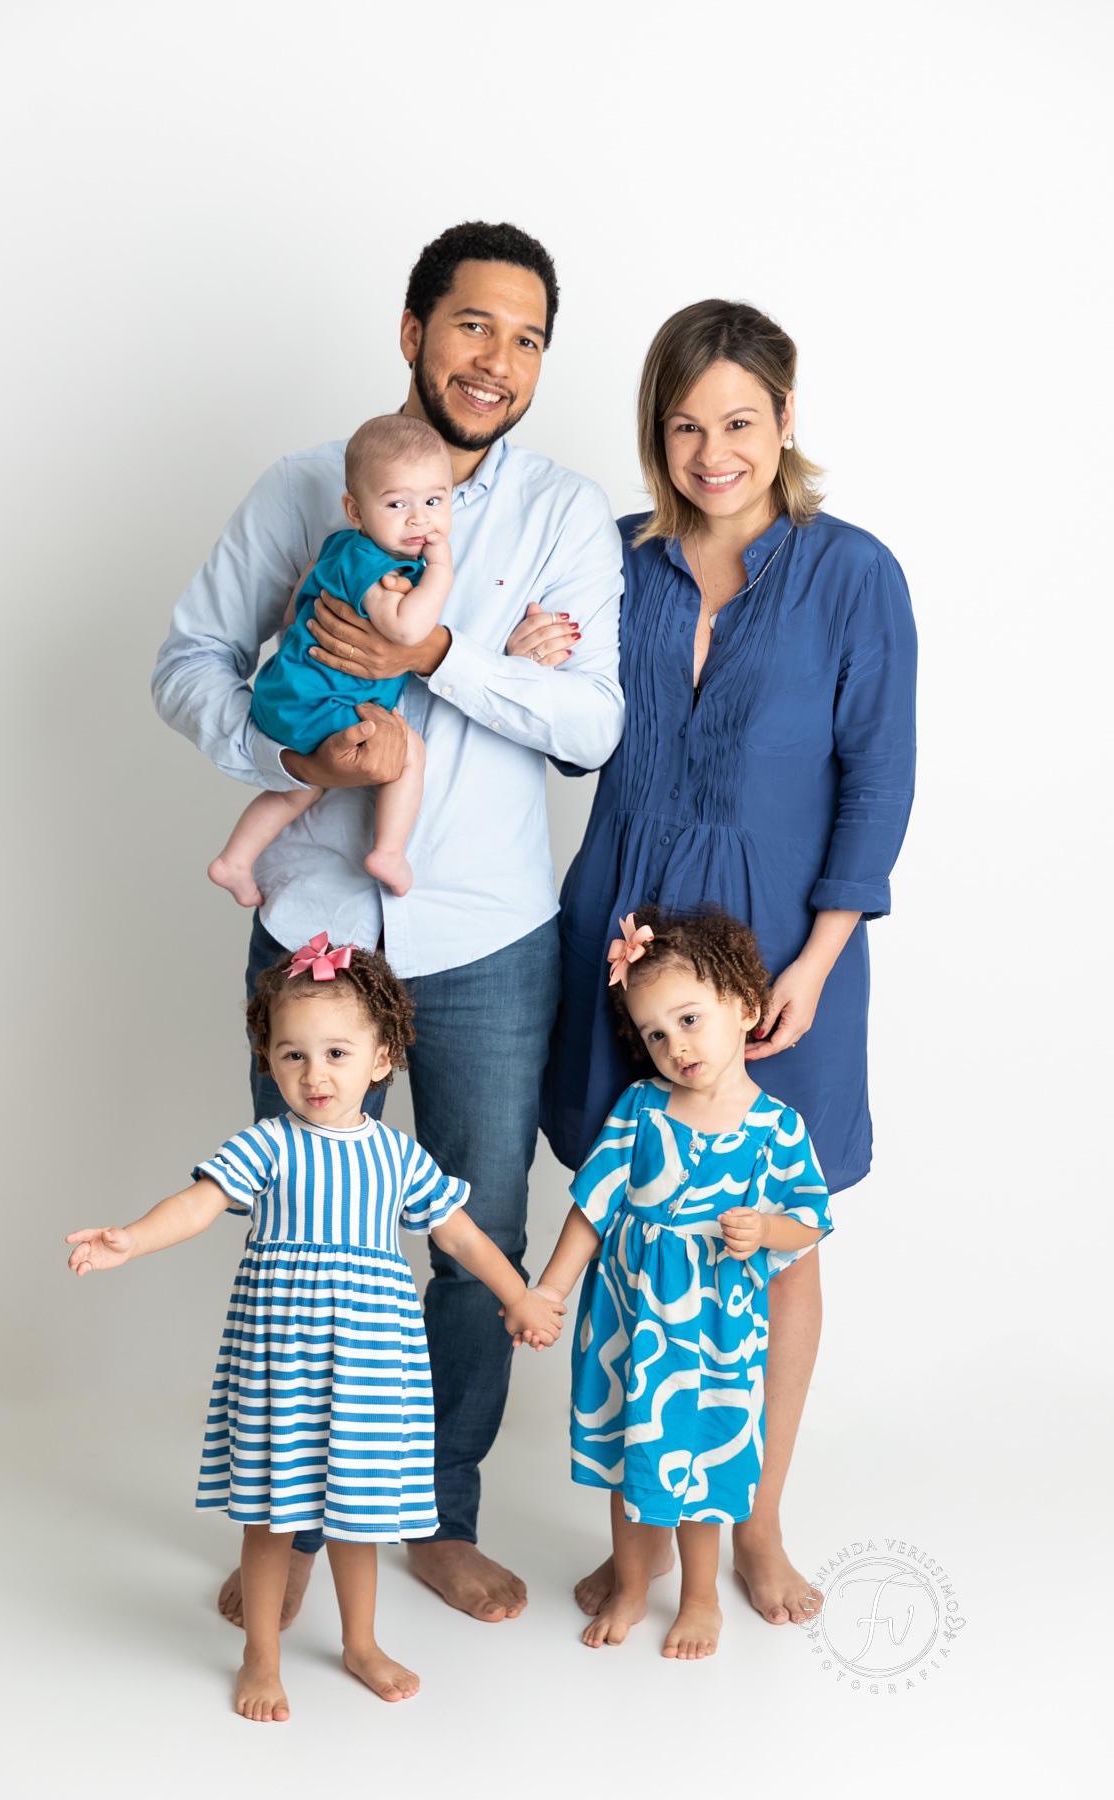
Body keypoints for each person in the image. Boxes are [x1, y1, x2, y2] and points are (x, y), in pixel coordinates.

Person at [152, 220, 624, 1626]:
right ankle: (288, 1531)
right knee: (302, 1235)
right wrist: (286, 755)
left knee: (480, 1227)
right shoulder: (302, 486)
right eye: (473, 325)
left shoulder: (565, 516)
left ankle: (438, 1513)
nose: (497, 361)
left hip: (487, 935)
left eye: (527, 339)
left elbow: (591, 725)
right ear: (414, 332)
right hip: (314, 928)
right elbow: (189, 660)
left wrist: (444, 654)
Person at [536, 299, 916, 1629]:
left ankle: (756, 1523)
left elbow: (878, 778)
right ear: (657, 431)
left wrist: (820, 957)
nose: (714, 454)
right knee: (637, 1214)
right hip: (624, 933)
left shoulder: (853, 572)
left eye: (741, 422)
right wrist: (534, 661)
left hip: (786, 947)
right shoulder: (614, 559)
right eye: (686, 426)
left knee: (777, 1238)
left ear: (787, 418)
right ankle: (643, 1538)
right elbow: (573, 741)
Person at [65, 937, 564, 1721]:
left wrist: (518, 1297)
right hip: (283, 1363)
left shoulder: (398, 1156)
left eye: (336, 1052)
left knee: (359, 1516)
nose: (313, 1073)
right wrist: (131, 1237)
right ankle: (260, 1656)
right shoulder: (267, 1144)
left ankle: (360, 1644)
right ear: (268, 1060)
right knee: (274, 1516)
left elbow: (463, 1237)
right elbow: (197, 1204)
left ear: (382, 1058)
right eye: (292, 1054)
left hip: (369, 1364)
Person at [516, 907, 831, 1657]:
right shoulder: (640, 1108)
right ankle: (633, 1585)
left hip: (714, 1336)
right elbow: (592, 1207)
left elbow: (810, 1222)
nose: (675, 1045)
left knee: (702, 1463)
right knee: (632, 1456)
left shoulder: (777, 1128)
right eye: (655, 1034)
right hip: (629, 1328)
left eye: (689, 1019)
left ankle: (700, 1599)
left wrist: (768, 1229)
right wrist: (550, 1291)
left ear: (745, 1008)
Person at [208, 415, 455, 904]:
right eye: (397, 504)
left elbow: (294, 607)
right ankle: (388, 852)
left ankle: (234, 861)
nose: (419, 519)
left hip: (284, 692)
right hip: (321, 703)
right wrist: (441, 571)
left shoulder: (340, 546)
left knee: (301, 788)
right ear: (356, 510)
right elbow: (407, 630)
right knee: (410, 752)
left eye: (434, 501)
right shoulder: (377, 567)